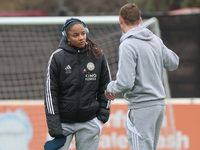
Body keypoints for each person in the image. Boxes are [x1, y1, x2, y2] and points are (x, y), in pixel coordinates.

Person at [105, 3, 179, 150]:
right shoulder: (155, 40)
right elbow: (174, 63)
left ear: (120, 20)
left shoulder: (128, 44)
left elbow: (125, 83)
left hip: (142, 106)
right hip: (158, 105)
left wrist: (109, 88)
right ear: (140, 20)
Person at [44, 18, 111, 150]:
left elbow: (106, 86)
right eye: (76, 35)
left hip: (90, 121)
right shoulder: (57, 57)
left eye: (83, 33)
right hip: (63, 123)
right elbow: (50, 93)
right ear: (66, 37)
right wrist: (55, 126)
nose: (81, 38)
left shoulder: (97, 54)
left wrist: (102, 116)